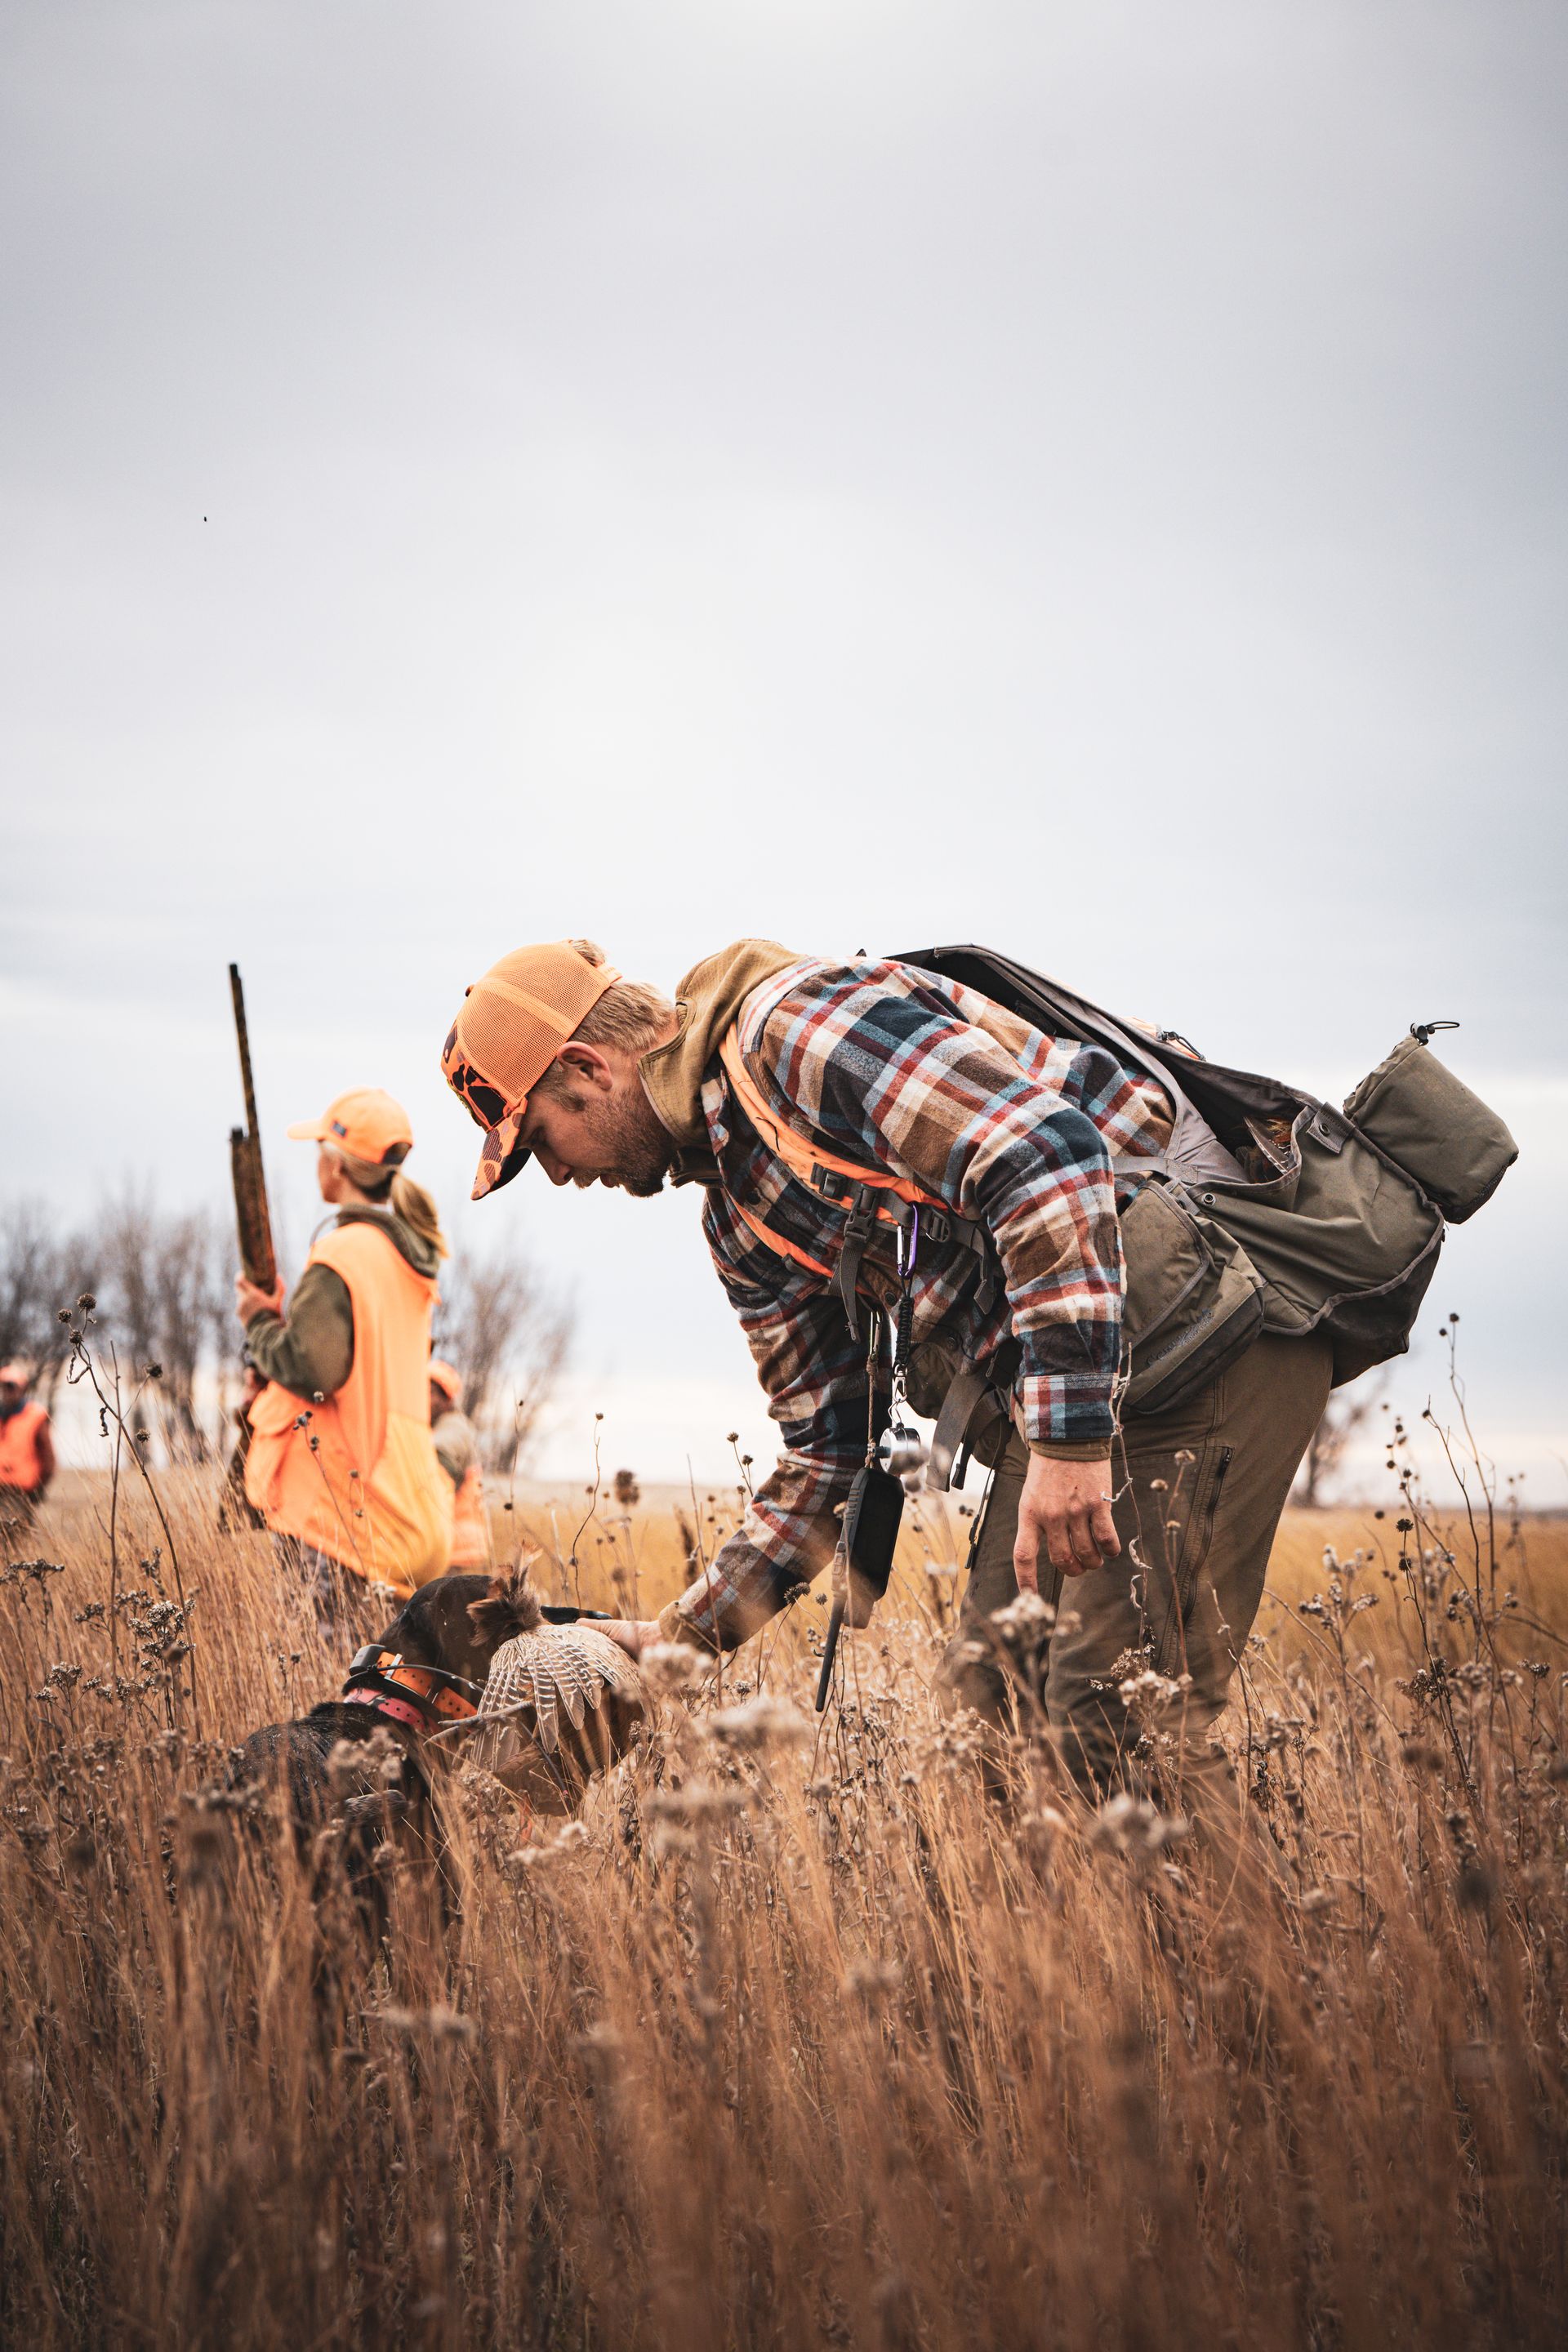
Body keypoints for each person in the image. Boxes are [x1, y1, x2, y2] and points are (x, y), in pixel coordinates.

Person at [439, 938, 1334, 1860]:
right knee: (988, 1724)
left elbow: (1046, 1153)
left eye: (541, 1137)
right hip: (1090, 1387)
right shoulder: (739, 1222)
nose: (553, 1173)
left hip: (1202, 1338)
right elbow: (828, 1454)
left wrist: (1066, 1449)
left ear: (587, 1067)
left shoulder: (792, 1032)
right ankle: (1080, 1990)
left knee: (1114, 1723)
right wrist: (674, 1644)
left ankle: (1265, 1998)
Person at [235, 1088, 454, 1632]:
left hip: (339, 1510)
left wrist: (259, 1321)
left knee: (322, 1682)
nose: (317, 1165)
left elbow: (315, 1371)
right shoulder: (407, 1258)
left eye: (319, 1154)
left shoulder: (344, 1251)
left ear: (335, 1167)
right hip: (399, 1503)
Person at [428, 1358, 491, 1569]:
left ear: (447, 1400)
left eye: (431, 1393)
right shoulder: (436, 1426)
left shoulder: (454, 1427)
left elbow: (438, 1461)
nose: (424, 1399)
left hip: (457, 1545)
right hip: (451, 1542)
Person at [0, 1362, 56, 1557]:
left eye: (11, 1387)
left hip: (19, 1493)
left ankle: (18, 1584)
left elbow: (48, 1459)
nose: (7, 1392)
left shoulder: (35, 1416)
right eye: (4, 1387)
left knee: (14, 1543)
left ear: (22, 1389)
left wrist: (39, 1489)